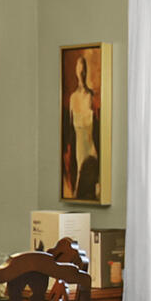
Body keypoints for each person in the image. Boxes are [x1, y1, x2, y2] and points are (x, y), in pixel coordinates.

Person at [64, 53, 102, 203]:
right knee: (80, 188)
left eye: (84, 69)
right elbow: (69, 131)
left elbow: (98, 128)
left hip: (91, 147)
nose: (81, 73)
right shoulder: (73, 98)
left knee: (93, 187)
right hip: (79, 149)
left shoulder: (91, 96)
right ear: (76, 72)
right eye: (79, 70)